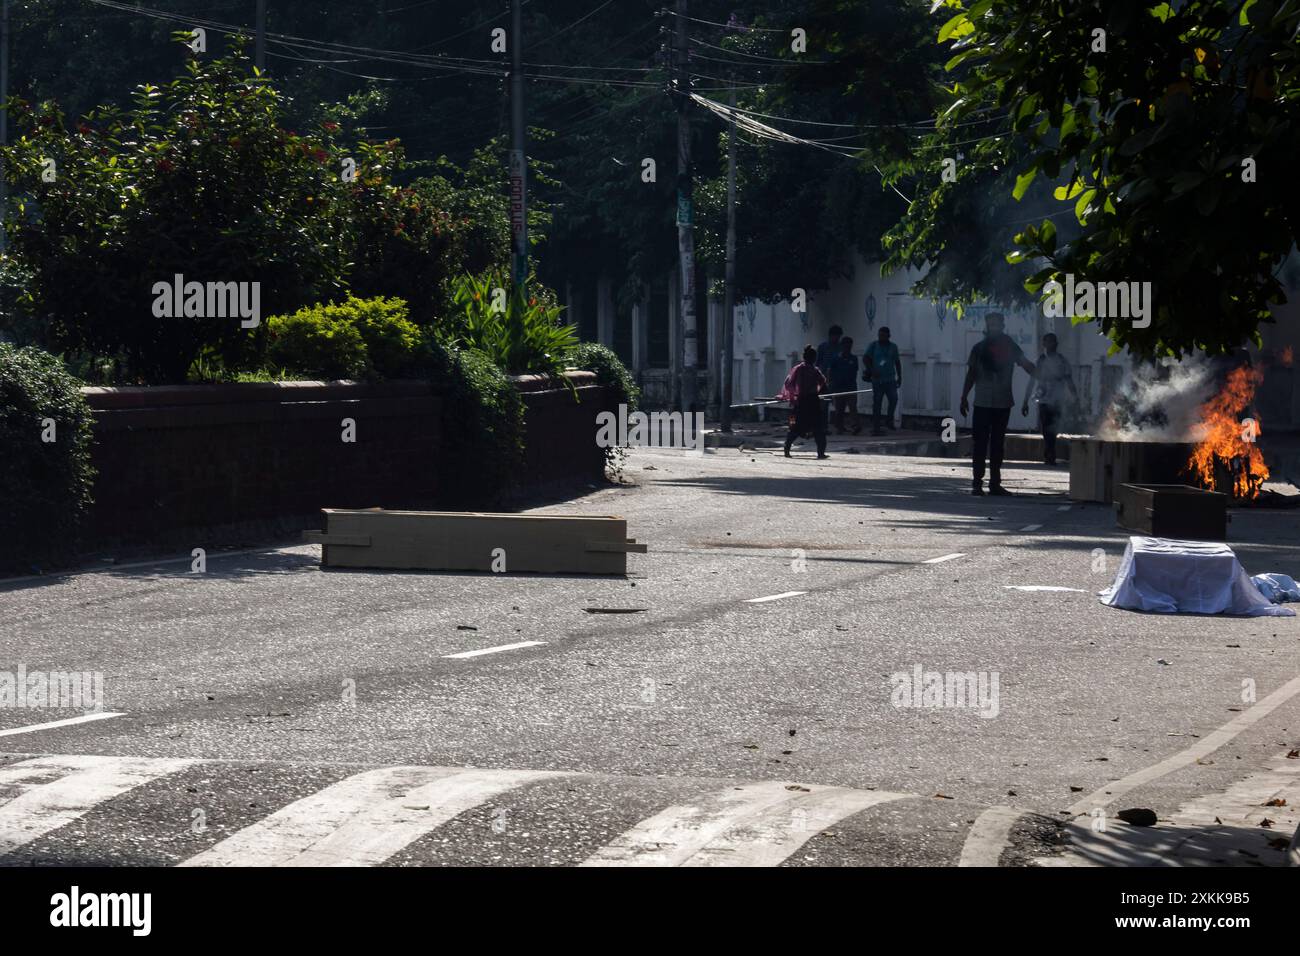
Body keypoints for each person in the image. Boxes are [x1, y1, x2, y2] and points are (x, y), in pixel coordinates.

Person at [959, 312, 1037, 496]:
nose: (994, 327)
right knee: (979, 444)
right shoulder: (978, 349)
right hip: (982, 402)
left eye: (997, 324)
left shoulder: (1010, 346)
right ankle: (977, 483)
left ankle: (995, 484)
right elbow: (971, 374)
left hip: (1002, 403)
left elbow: (1025, 364)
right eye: (991, 324)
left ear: (1002, 326)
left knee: (997, 444)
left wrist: (1041, 372)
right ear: (987, 327)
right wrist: (963, 397)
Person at [1020, 333, 1078, 466]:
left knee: (1054, 428)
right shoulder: (1040, 361)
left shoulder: (1062, 361)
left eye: (1053, 342)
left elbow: (1069, 380)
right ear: (1044, 344)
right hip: (1044, 400)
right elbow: (1031, 381)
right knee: (1046, 429)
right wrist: (1025, 401)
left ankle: (1050, 453)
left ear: (1056, 344)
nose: (1050, 345)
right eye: (1048, 342)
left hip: (1058, 400)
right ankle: (1049, 454)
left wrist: (1075, 398)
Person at [780, 345, 829, 459]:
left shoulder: (798, 369)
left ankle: (787, 449)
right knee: (818, 428)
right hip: (812, 401)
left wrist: (793, 397)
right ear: (814, 358)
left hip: (801, 402)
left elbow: (789, 383)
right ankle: (821, 453)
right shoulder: (814, 370)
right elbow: (823, 383)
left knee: (794, 426)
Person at [862, 326, 902, 435]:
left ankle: (889, 420)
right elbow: (865, 358)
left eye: (884, 335)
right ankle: (876, 427)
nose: (881, 337)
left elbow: (897, 362)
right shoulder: (873, 345)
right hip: (877, 380)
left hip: (890, 379)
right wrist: (872, 370)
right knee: (877, 403)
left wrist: (900, 377)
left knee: (894, 399)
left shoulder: (893, 347)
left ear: (888, 336)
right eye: (880, 335)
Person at [827, 336, 861, 435]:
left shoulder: (854, 359)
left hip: (851, 387)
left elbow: (855, 371)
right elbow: (830, 371)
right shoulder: (836, 358)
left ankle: (855, 426)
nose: (848, 348)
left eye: (849, 346)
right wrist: (830, 383)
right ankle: (839, 427)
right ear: (842, 346)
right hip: (838, 387)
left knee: (852, 407)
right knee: (839, 409)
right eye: (846, 345)